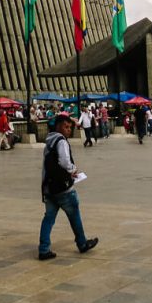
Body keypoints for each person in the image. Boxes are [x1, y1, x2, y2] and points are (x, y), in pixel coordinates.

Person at [37, 112, 99, 261]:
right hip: (63, 189)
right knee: (74, 215)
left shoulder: (49, 141)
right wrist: (73, 170)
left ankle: (44, 249)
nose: (68, 130)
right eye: (66, 127)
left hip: (50, 188)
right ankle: (82, 243)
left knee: (49, 219)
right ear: (58, 126)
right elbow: (64, 161)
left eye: (70, 127)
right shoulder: (61, 141)